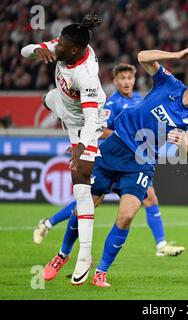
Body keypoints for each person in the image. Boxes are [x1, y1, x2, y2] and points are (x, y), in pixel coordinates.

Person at [42, 47, 188, 287]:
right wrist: (177, 55)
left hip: (141, 162)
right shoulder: (169, 84)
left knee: (126, 216)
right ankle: (62, 255)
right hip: (115, 148)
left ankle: (101, 272)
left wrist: (184, 144)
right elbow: (142, 57)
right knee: (83, 207)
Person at [34, 63, 185, 257]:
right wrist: (127, 135)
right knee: (91, 202)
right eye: (122, 78)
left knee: (149, 198)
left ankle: (161, 244)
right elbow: (101, 129)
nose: (126, 82)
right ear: (115, 81)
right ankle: (49, 224)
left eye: (129, 78)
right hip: (113, 157)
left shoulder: (139, 99)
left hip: (136, 161)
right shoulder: (112, 104)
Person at [21, 15, 106, 285]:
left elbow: (92, 120)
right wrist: (38, 50)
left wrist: (81, 146)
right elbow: (25, 52)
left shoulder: (87, 76)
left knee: (81, 186)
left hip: (85, 122)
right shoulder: (64, 45)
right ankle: (51, 100)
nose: (56, 49)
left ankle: (84, 254)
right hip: (64, 105)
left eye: (60, 48)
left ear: (74, 51)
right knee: (49, 99)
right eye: (57, 45)